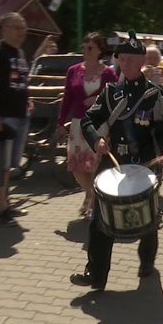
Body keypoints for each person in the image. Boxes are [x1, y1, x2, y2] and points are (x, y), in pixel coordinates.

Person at [70, 30, 163, 290]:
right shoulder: (110, 91)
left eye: (129, 59)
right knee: (100, 219)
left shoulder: (155, 94)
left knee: (147, 216)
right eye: (121, 59)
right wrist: (96, 139)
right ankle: (95, 274)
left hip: (144, 162)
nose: (124, 63)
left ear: (141, 61)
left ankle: (146, 261)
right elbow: (88, 120)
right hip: (113, 160)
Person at [56, 33, 117, 218]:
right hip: (78, 124)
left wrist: (97, 99)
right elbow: (67, 98)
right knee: (77, 166)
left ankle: (92, 202)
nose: (86, 51)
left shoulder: (108, 73)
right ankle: (90, 195)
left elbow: (115, 97)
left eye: (90, 48)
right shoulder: (73, 70)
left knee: (95, 165)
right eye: (83, 47)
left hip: (99, 125)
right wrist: (60, 122)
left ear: (99, 50)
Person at [0, 12, 31, 226]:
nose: (22, 31)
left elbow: (20, 81)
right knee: (1, 164)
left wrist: (27, 100)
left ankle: (5, 202)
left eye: (23, 27)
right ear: (4, 29)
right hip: (3, 116)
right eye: (17, 27)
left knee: (10, 165)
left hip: (20, 115)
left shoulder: (19, 52)